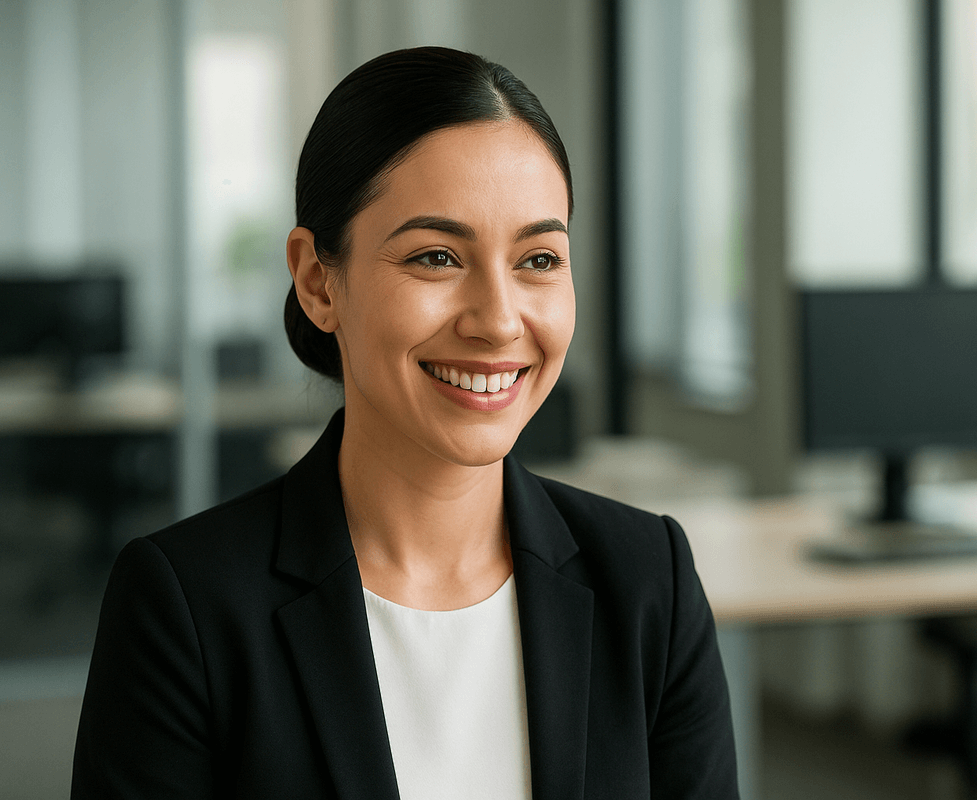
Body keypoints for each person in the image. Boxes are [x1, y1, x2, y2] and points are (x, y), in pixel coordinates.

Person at [71, 46, 738, 799]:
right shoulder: (186, 606)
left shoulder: (649, 581)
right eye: (437, 257)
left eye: (539, 260)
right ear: (318, 282)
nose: (498, 321)